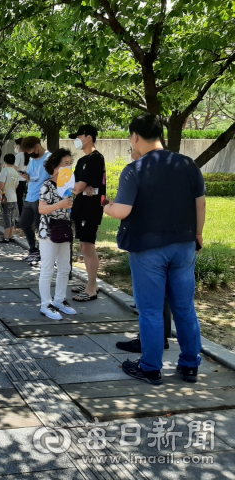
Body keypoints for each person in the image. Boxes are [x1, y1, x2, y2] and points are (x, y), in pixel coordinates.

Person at [104, 114, 205, 385]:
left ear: (136, 136)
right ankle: (190, 365)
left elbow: (123, 210)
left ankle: (150, 367)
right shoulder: (187, 164)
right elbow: (200, 203)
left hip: (148, 248)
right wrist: (197, 235)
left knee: (150, 310)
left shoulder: (135, 169)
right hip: (184, 245)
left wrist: (107, 206)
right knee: (184, 307)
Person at [37, 148, 77, 320]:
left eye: (70, 164)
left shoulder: (68, 185)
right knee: (47, 269)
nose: (68, 167)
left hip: (65, 229)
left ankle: (60, 300)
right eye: (65, 164)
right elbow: (42, 208)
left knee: (65, 268)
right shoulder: (47, 184)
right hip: (49, 231)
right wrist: (60, 204)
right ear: (55, 166)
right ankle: (46, 304)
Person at [69, 125, 106, 302]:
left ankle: (92, 287)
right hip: (81, 206)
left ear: (88, 137)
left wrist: (81, 187)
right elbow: (76, 184)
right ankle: (90, 283)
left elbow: (77, 187)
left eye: (79, 136)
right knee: (84, 247)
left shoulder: (96, 159)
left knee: (88, 246)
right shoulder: (82, 161)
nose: (76, 140)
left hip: (91, 208)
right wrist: (81, 187)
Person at [20, 136, 52, 262]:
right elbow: (32, 176)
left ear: (37, 147)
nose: (29, 154)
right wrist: (27, 176)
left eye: (30, 151)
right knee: (24, 223)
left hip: (42, 197)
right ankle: (33, 249)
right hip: (30, 195)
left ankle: (42, 252)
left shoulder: (50, 159)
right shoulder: (33, 160)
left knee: (41, 226)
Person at [0, 153, 20, 243]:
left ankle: (5, 237)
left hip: (6, 197)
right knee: (12, 217)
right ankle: (11, 235)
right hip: (14, 197)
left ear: (5, 161)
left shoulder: (5, 171)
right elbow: (17, 185)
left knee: (6, 217)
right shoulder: (15, 172)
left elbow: (1, 184)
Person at [14, 138, 28, 225]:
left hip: (17, 180)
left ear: (19, 145)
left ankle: (20, 218)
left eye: (15, 145)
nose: (15, 147)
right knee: (20, 198)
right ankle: (22, 217)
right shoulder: (27, 155)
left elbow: (15, 167)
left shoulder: (19, 156)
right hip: (23, 180)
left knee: (17, 199)